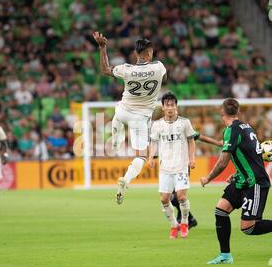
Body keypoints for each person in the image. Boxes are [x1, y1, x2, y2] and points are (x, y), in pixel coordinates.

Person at [200, 98, 272, 264]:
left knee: (248, 228)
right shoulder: (246, 127)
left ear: (222, 112)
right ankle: (225, 255)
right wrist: (236, 173)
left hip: (255, 183)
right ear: (238, 112)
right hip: (243, 179)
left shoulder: (232, 130)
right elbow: (250, 156)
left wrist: (208, 178)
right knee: (220, 210)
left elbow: (223, 161)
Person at [93, 31, 167, 205]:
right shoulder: (159, 67)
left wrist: (103, 47)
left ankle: (117, 139)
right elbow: (164, 78)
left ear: (135, 53)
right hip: (140, 118)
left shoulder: (126, 69)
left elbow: (104, 69)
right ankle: (126, 179)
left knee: (118, 112)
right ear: (149, 53)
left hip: (123, 112)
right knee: (141, 156)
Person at [148, 92, 196, 239]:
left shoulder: (184, 122)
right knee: (164, 199)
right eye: (167, 105)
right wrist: (150, 157)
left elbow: (191, 141)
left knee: (181, 196)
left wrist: (192, 159)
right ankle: (174, 225)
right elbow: (154, 142)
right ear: (163, 107)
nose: (170, 107)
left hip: (181, 165)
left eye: (172, 105)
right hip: (165, 167)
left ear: (176, 106)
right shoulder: (157, 125)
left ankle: (185, 222)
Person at [172, 131, 223, 229]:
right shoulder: (163, 129)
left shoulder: (183, 127)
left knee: (176, 196)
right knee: (172, 197)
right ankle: (187, 218)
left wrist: (217, 143)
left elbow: (200, 136)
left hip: (182, 166)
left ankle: (187, 219)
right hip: (169, 166)